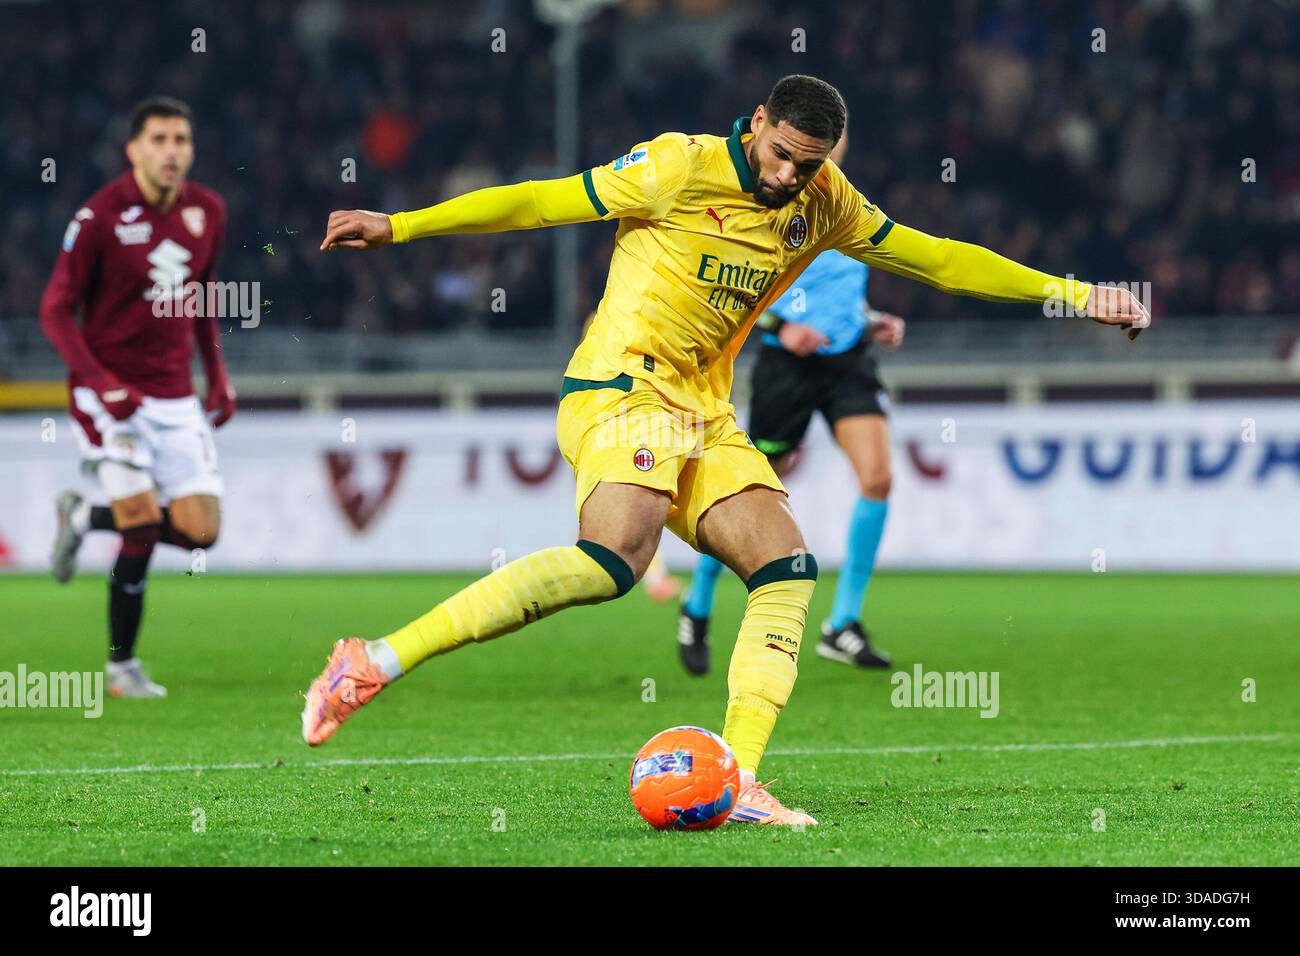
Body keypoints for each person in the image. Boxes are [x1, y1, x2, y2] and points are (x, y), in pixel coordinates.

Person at [305, 75, 1147, 826]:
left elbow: (936, 258)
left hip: (704, 410)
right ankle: (371, 661)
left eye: (808, 165)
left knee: (785, 570)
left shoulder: (827, 203)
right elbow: (539, 201)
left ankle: (738, 776)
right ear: (756, 126)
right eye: (781, 155)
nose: (789, 177)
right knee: (614, 562)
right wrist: (402, 225)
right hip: (622, 385)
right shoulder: (678, 165)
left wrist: (1071, 293)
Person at [678, 127, 902, 676]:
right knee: (750, 496)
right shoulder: (771, 206)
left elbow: (840, 297)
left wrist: (871, 322)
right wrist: (783, 326)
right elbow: (736, 288)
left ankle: (842, 624)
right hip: (786, 367)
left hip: (848, 363)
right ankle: (698, 603)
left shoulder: (848, 208)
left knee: (878, 478)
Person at [41, 96, 234, 698]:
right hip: (109, 395)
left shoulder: (208, 211)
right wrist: (101, 383)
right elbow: (54, 310)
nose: (171, 151)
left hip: (175, 396)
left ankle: (81, 516)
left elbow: (200, 299)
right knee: (143, 527)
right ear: (134, 150)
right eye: (159, 139)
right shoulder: (99, 217)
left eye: (181, 139)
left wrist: (217, 375)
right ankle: (121, 668)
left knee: (201, 533)